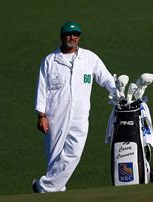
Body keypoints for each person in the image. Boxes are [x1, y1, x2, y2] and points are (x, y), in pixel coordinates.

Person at [32, 22, 117, 192]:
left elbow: (106, 79)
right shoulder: (50, 60)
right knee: (54, 157)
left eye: (76, 35)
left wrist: (118, 93)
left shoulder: (89, 58)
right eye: (69, 35)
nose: (73, 38)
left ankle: (43, 186)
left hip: (80, 114)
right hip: (55, 115)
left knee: (74, 153)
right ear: (62, 36)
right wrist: (41, 115)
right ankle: (56, 190)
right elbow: (42, 88)